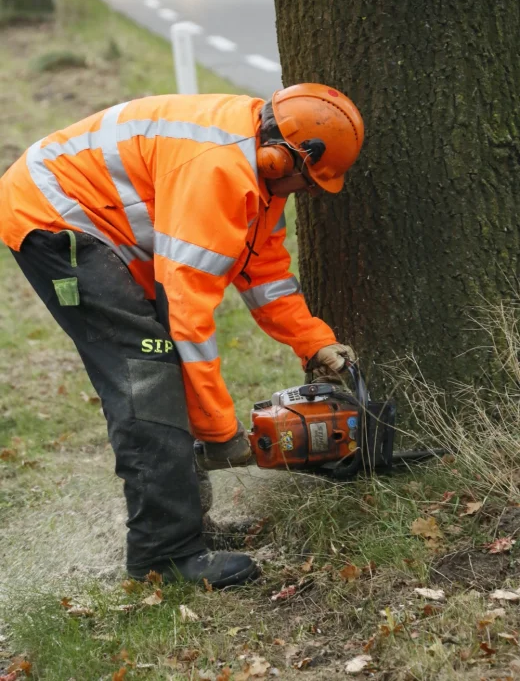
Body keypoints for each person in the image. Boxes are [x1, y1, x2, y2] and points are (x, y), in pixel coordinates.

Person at [0, 83, 364, 587]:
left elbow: (264, 271)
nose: (304, 194)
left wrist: (312, 339)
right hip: (54, 219)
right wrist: (219, 431)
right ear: (281, 160)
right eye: (306, 182)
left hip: (100, 223)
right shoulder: (217, 169)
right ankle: (164, 554)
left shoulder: (254, 171)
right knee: (145, 368)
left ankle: (190, 526)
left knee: (158, 363)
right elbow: (186, 312)